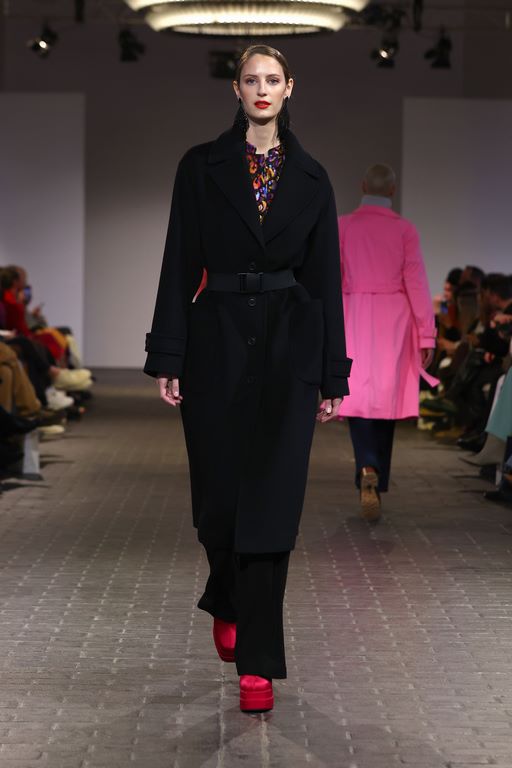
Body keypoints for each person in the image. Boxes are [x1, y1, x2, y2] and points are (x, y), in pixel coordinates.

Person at [144, 44, 351, 714]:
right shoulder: (200, 167)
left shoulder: (313, 179)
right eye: (250, 79)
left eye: (273, 79)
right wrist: (169, 354)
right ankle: (227, 598)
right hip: (216, 346)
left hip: (290, 349)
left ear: (290, 89)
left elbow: (325, 280)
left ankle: (258, 662)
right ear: (235, 89)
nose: (262, 89)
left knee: (272, 505)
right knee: (218, 502)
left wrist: (332, 372)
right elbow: (179, 261)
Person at [338, 163, 436, 521]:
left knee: (356, 397)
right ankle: (376, 473)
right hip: (394, 316)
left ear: (363, 186)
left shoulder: (343, 226)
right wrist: (427, 334)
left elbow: (331, 276)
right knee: (387, 399)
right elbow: (417, 282)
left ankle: (367, 465)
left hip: (353, 312)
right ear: (392, 191)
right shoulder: (404, 230)